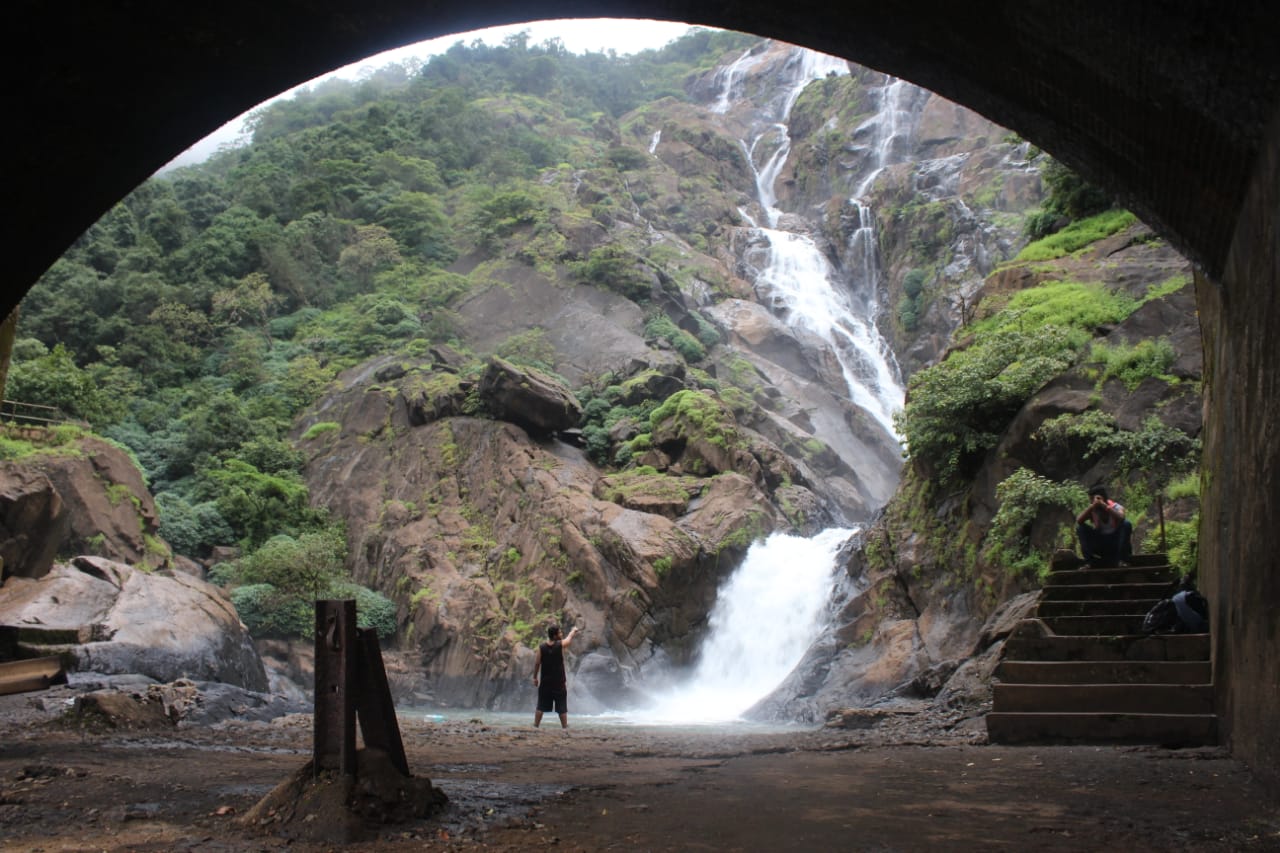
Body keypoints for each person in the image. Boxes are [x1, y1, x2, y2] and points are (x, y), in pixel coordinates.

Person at [532, 623, 580, 729]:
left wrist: (535, 677)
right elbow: (569, 639)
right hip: (559, 682)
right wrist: (573, 631)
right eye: (559, 632)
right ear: (554, 636)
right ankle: (565, 726)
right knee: (562, 706)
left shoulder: (542, 647)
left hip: (545, 682)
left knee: (541, 705)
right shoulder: (560, 645)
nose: (561, 634)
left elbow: (537, 663)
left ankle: (536, 725)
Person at [1076, 485, 1133, 568]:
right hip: (1102, 544)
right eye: (1091, 500)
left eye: (1093, 500)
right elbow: (1079, 521)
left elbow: (1121, 518)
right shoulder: (1093, 510)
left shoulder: (1115, 507)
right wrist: (1092, 507)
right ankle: (1089, 562)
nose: (1092, 502)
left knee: (1126, 524)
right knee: (1081, 528)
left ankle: (1122, 560)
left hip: (1117, 544)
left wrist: (1105, 506)